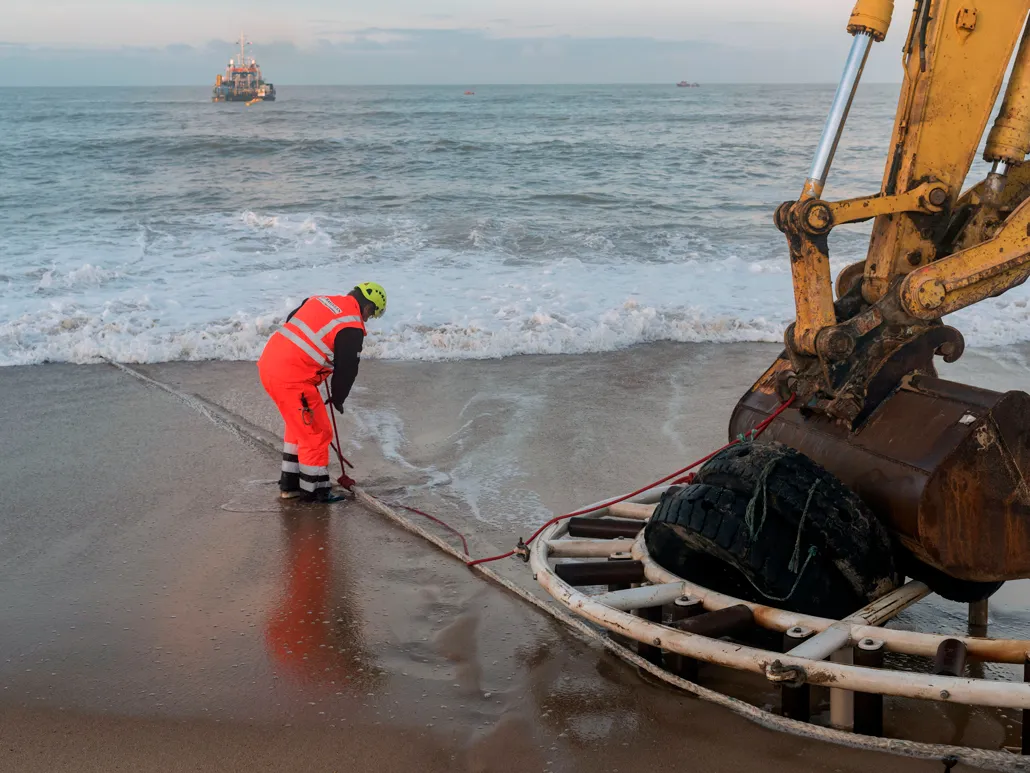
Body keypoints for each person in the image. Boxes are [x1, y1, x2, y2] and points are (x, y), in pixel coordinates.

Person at [257, 282, 386, 502]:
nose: (367, 320)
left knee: (298, 428)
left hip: (269, 364)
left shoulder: (319, 300)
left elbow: (293, 321)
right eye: (372, 315)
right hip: (293, 379)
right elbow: (347, 369)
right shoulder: (352, 325)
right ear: (368, 307)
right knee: (317, 433)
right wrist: (338, 398)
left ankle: (290, 485)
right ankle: (314, 492)